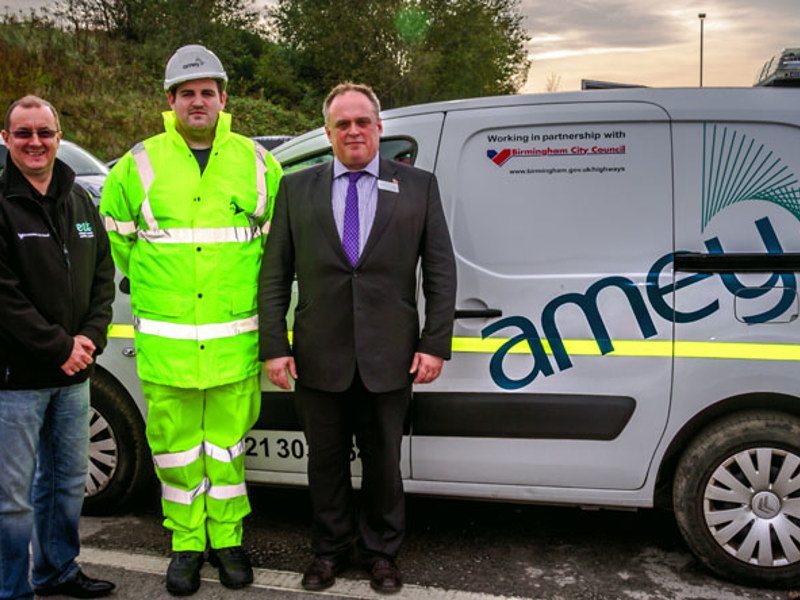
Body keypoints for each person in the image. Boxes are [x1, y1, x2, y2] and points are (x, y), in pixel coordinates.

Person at [258, 82, 456, 594]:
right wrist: (275, 346)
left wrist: (434, 343)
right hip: (317, 357)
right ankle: (329, 552)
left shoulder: (418, 186)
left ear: (378, 128)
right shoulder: (295, 189)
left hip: (390, 358)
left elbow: (439, 272)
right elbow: (274, 275)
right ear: (327, 133)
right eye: (342, 124)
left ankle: (382, 554)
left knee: (384, 464)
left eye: (362, 121)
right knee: (324, 464)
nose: (353, 131)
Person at [100, 45, 282, 596]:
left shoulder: (257, 163)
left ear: (224, 98)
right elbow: (120, 245)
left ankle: (226, 542)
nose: (196, 101)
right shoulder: (137, 165)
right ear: (171, 101)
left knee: (227, 450)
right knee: (176, 452)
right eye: (186, 93)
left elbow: (276, 252)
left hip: (232, 345)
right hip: (169, 345)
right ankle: (184, 546)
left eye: (207, 92)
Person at [0, 95, 116, 600]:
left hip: (73, 376)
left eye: (44, 132)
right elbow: (4, 296)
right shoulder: (2, 203)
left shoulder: (80, 200)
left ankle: (57, 571)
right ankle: (12, 589)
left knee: (67, 485)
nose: (35, 142)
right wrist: (59, 347)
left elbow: (102, 277)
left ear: (59, 136)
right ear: (6, 139)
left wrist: (90, 337)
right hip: (17, 380)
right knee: (13, 499)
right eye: (22, 133)